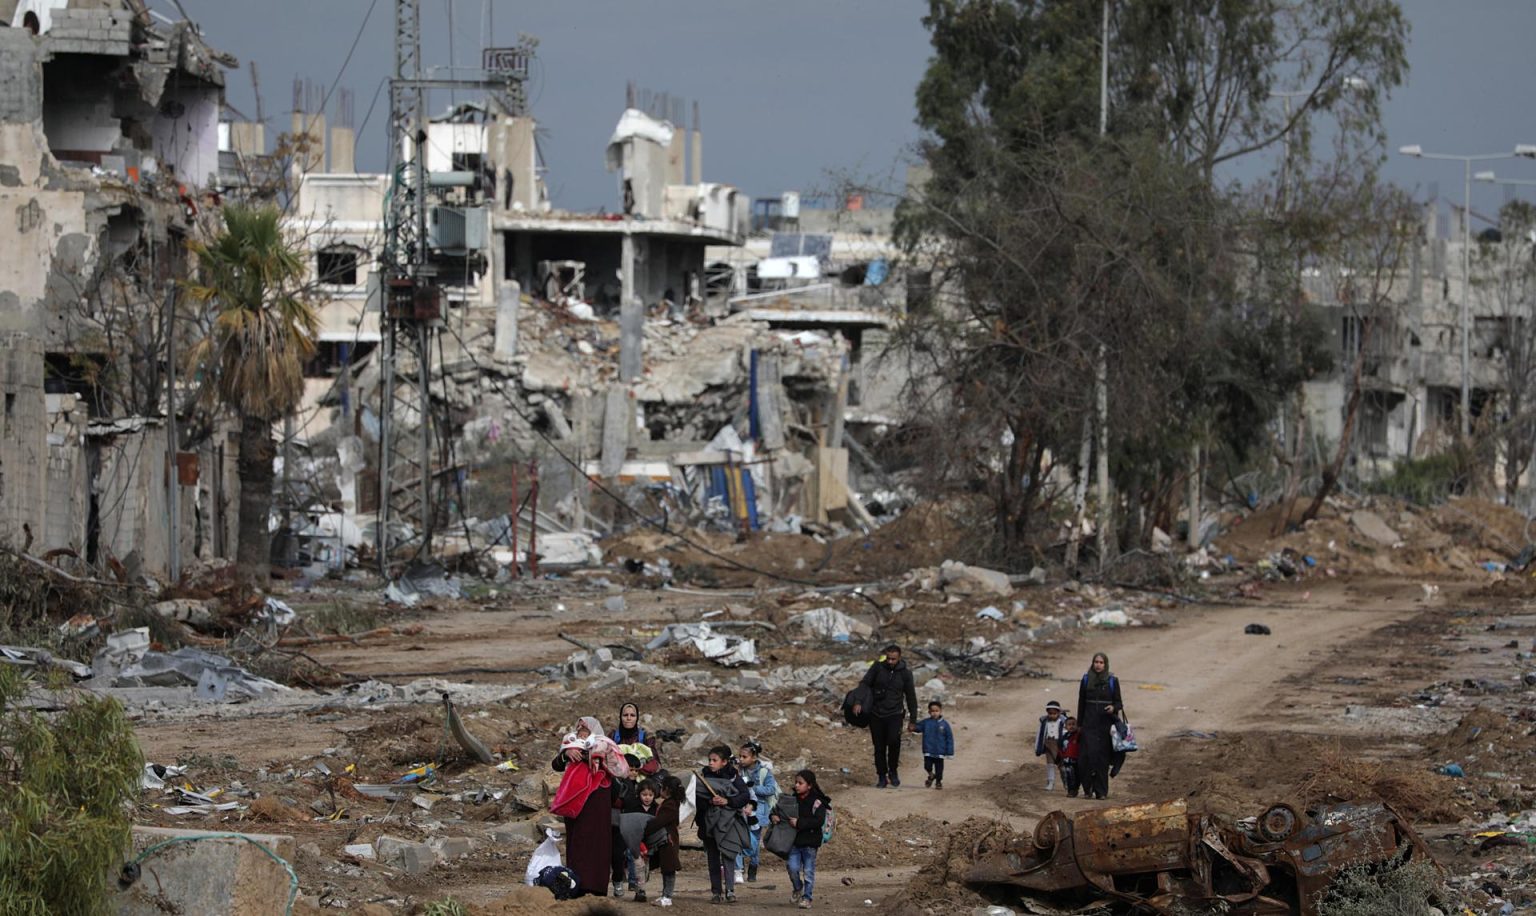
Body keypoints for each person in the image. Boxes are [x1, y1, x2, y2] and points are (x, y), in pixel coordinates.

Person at [550, 716, 627, 897]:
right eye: (579, 729)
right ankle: (576, 884)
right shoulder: (571, 744)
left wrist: (589, 755)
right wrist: (566, 753)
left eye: (585, 729)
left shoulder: (605, 744)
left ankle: (596, 886)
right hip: (575, 802)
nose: (581, 732)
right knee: (577, 841)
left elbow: (617, 768)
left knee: (598, 842)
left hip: (597, 801)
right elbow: (557, 765)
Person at [852, 644, 918, 788]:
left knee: (894, 742)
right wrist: (858, 701)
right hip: (876, 713)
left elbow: (911, 697)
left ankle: (893, 771)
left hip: (895, 714)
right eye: (888, 658)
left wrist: (913, 720)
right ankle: (881, 776)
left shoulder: (905, 673)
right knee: (879, 747)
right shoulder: (877, 668)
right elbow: (865, 683)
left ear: (899, 658)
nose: (890, 662)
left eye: (893, 659)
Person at [694, 744, 751, 904]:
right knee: (712, 859)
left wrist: (727, 800)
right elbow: (697, 799)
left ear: (724, 762)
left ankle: (730, 890)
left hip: (728, 823)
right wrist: (710, 801)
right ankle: (716, 892)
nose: (711, 763)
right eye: (709, 760)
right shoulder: (702, 778)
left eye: (715, 760)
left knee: (728, 855)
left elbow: (744, 795)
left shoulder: (733, 776)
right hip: (708, 823)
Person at [771, 769, 831, 910]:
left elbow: (819, 820)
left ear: (809, 785)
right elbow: (778, 811)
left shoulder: (817, 802)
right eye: (796, 782)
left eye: (800, 783)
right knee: (792, 868)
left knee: (809, 872)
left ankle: (807, 898)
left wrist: (800, 823)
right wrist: (773, 817)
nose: (797, 785)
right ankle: (798, 887)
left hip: (810, 842)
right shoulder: (792, 800)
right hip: (794, 841)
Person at [1075, 652, 1125, 800]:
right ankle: (1087, 789)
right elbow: (1081, 703)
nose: (1098, 665)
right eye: (1096, 662)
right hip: (1089, 724)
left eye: (1101, 662)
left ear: (1105, 664)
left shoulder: (1112, 681)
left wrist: (1113, 708)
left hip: (1105, 725)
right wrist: (1079, 725)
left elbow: (1119, 703)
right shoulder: (1085, 680)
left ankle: (1101, 792)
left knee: (1102, 759)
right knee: (1085, 758)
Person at [734, 740, 778, 884]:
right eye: (740, 756)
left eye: (744, 757)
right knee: (738, 840)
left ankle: (753, 865)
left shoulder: (764, 772)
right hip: (741, 811)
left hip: (758, 813)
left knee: (753, 844)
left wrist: (752, 789)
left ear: (754, 758)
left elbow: (771, 789)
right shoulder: (739, 771)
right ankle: (738, 870)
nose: (741, 759)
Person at [646, 774, 683, 907]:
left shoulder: (670, 805)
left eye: (661, 787)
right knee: (666, 868)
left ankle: (667, 896)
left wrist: (646, 827)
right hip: (666, 840)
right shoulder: (670, 803)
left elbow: (659, 822)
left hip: (668, 841)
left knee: (669, 869)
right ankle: (664, 894)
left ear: (667, 789)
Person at [914, 701, 954, 789]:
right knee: (927, 766)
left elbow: (949, 739)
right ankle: (931, 775)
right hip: (928, 750)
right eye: (932, 711)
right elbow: (918, 728)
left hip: (940, 751)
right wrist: (912, 727)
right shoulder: (926, 722)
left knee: (939, 769)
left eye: (936, 711)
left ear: (940, 711)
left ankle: (938, 782)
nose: (934, 713)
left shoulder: (945, 724)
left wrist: (949, 752)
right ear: (929, 712)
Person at [611, 702, 661, 772]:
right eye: (625, 715)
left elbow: (655, 763)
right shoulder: (613, 735)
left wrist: (637, 767)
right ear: (620, 717)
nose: (629, 718)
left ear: (637, 718)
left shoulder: (646, 736)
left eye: (632, 715)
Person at [1034, 700, 1067, 791]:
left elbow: (1066, 735)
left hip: (1059, 746)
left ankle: (1066, 782)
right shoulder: (1044, 722)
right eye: (1050, 713)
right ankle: (1050, 782)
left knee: (1062, 766)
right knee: (1050, 764)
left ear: (1059, 713)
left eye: (1054, 713)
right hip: (1048, 744)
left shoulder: (1063, 722)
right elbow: (1040, 734)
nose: (1052, 715)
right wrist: (1038, 747)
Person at [1060, 716, 1081, 797]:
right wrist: (1061, 758)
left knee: (1077, 776)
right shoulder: (1064, 737)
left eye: (1073, 724)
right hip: (1067, 761)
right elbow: (1061, 748)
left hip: (1077, 760)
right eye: (1069, 725)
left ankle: (1076, 789)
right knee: (1069, 776)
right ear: (1065, 726)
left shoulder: (1078, 735)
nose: (1071, 726)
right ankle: (1071, 791)